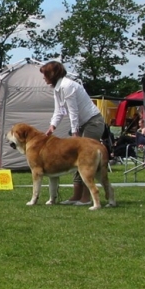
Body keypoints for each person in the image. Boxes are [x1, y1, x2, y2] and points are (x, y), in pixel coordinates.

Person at [40, 61, 105, 206]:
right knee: (76, 158)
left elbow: (73, 112)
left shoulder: (67, 86)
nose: (43, 77)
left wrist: (75, 134)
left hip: (93, 122)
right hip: (83, 124)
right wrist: (52, 126)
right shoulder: (58, 88)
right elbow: (59, 110)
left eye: (44, 74)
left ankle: (86, 198)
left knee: (84, 159)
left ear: (52, 74)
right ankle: (76, 196)